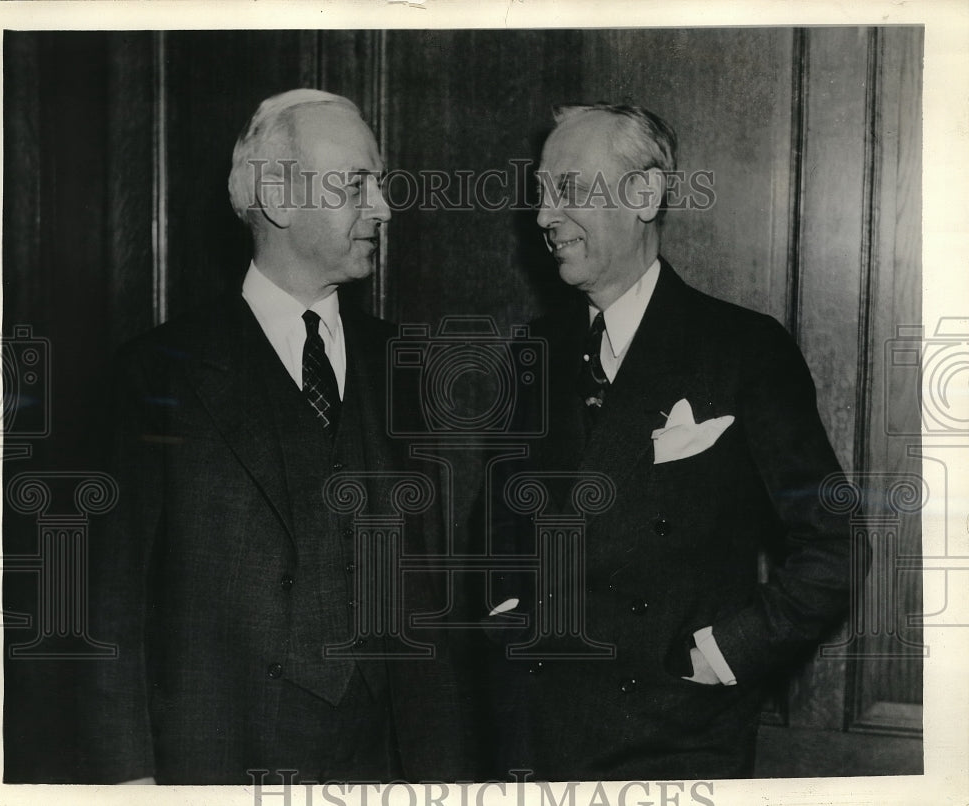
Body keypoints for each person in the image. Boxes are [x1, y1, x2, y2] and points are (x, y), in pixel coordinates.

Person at [84, 89, 467, 785]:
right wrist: (128, 783)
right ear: (281, 198)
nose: (383, 207)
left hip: (387, 763)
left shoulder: (409, 365)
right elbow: (109, 600)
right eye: (358, 184)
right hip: (220, 761)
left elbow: (433, 596)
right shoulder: (154, 376)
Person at [482, 103, 861, 780]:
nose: (543, 216)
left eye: (568, 189)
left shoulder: (744, 350)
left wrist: (727, 653)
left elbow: (834, 546)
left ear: (645, 195)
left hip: (677, 740)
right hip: (535, 736)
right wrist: (508, 612)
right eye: (541, 193)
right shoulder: (534, 351)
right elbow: (499, 523)